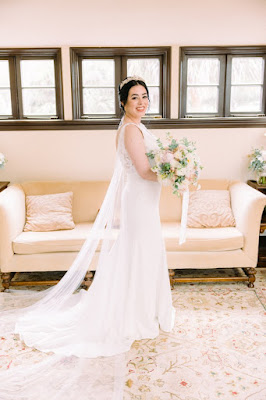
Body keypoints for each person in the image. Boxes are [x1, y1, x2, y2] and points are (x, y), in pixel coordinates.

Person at [0, 76, 176, 399]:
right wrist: (174, 171)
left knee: (144, 254)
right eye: (134, 97)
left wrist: (168, 168)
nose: (141, 102)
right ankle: (135, 314)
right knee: (140, 254)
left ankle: (144, 308)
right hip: (139, 202)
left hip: (143, 203)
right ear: (123, 102)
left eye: (145, 97)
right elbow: (142, 170)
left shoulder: (134, 127)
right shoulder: (131, 130)